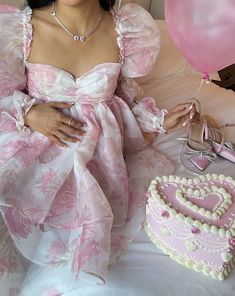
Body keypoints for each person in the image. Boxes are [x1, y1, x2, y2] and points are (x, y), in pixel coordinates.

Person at [0, 0, 197, 294]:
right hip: (31, 145)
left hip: (98, 158)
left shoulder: (125, 29)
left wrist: (159, 120)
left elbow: (124, 101)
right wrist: (28, 112)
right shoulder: (20, 28)